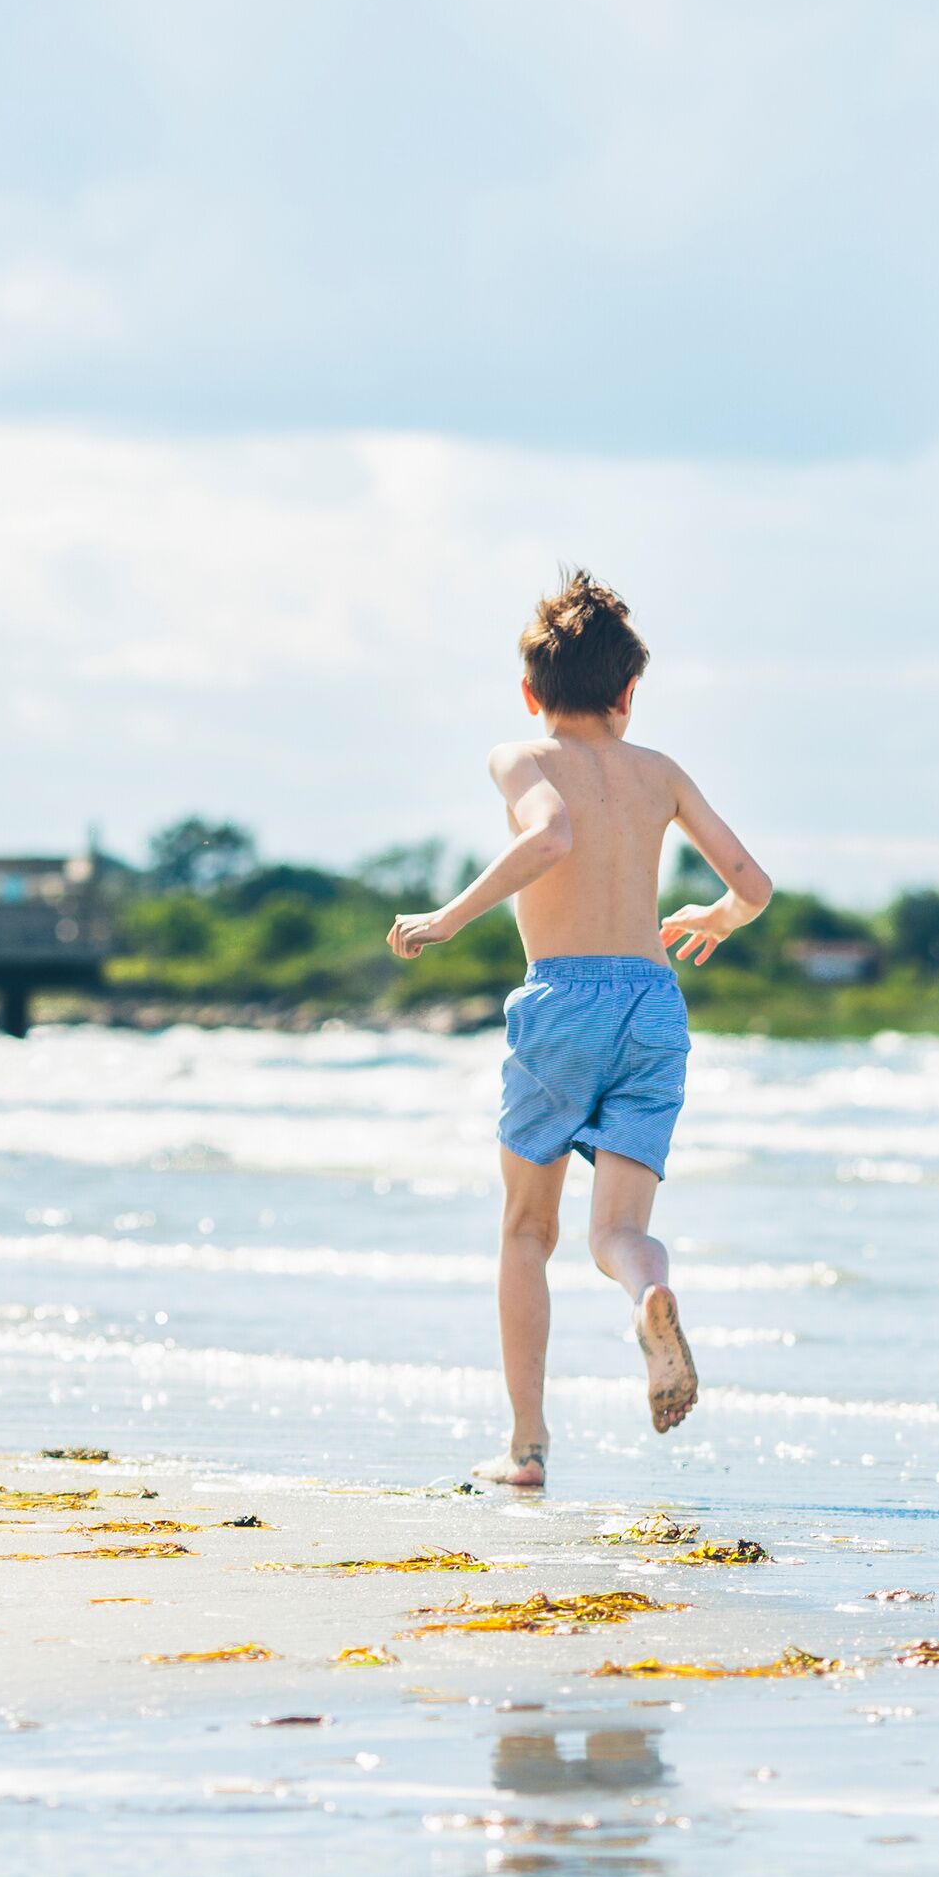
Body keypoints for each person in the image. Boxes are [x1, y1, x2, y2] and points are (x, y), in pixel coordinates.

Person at [388, 571, 771, 1487]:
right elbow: (753, 886)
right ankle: (649, 1294)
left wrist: (449, 917)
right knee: (619, 1233)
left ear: (531, 692)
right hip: (652, 1001)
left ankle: (526, 1446)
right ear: (630, 694)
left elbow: (550, 837)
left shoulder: (520, 758)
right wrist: (716, 919)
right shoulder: (661, 773)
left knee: (528, 1230)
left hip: (563, 1001)